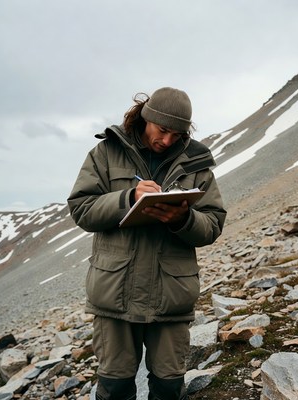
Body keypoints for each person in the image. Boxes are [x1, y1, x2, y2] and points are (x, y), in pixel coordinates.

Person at [67, 87, 227, 400]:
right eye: (162, 130)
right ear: (146, 118)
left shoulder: (197, 163)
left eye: (176, 134)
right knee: (115, 387)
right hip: (115, 293)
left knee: (169, 387)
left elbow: (212, 225)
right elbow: (82, 209)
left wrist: (182, 219)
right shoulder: (107, 153)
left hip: (171, 295)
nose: (167, 140)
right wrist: (128, 199)